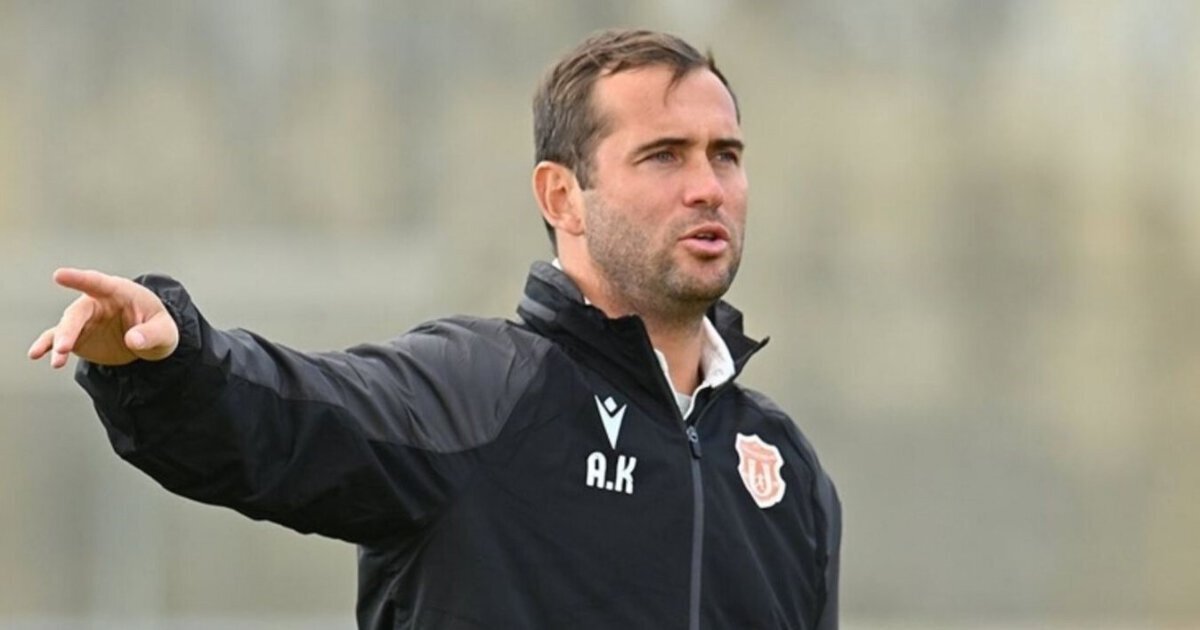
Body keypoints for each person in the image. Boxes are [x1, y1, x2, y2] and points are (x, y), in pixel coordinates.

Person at [28, 29, 840, 630]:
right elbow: (283, 413)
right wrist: (170, 361)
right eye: (664, 155)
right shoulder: (483, 392)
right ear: (562, 197)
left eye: (725, 155)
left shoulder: (782, 469)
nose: (708, 187)